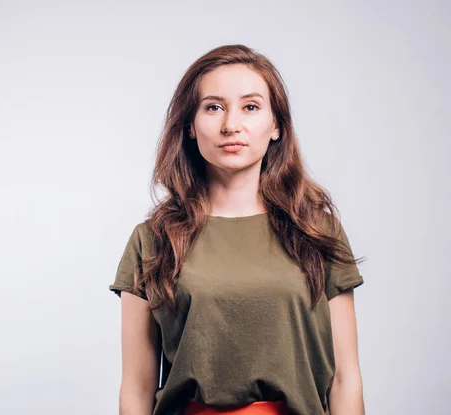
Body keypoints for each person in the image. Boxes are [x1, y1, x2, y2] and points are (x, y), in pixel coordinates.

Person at [108, 44, 366, 415]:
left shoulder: (316, 231)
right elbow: (135, 387)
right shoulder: (153, 240)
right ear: (191, 127)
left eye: (251, 106)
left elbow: (345, 378)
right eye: (213, 107)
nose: (231, 125)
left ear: (277, 125)